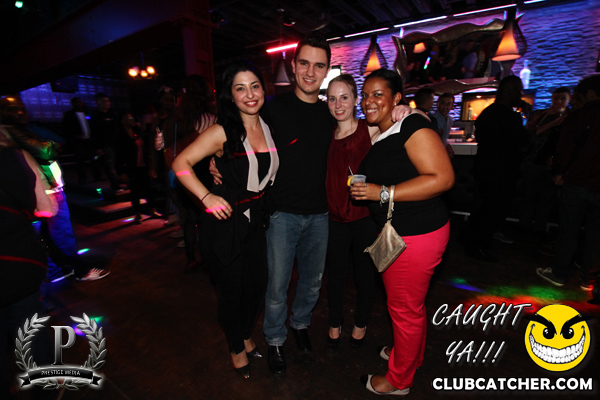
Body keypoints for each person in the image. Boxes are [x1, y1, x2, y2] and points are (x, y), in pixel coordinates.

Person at [350, 68, 454, 395]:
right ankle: (410, 358)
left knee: (404, 310)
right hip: (410, 232)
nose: (368, 101)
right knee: (412, 307)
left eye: (378, 94)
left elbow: (442, 178)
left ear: (396, 98)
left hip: (414, 235)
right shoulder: (386, 131)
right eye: (365, 95)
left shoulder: (410, 125)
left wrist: (382, 193)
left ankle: (398, 380)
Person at [172, 61, 278, 379]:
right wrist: (206, 196)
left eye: (254, 86)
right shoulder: (221, 131)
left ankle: (244, 333)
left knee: (257, 286)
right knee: (231, 291)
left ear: (263, 89)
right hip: (224, 226)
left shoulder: (267, 126)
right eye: (240, 88)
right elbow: (180, 163)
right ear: (230, 96)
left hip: (255, 222)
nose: (250, 94)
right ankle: (236, 346)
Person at [0, 96, 110, 283]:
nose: (21, 112)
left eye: (22, 108)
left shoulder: (16, 130)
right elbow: (46, 151)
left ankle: (56, 271)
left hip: (45, 189)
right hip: (48, 191)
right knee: (61, 233)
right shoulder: (12, 131)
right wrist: (51, 145)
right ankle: (79, 271)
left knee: (48, 235)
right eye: (14, 109)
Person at [324, 74, 379, 348]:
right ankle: (335, 321)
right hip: (334, 219)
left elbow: (410, 129)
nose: (338, 104)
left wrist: (407, 110)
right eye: (332, 99)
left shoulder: (370, 129)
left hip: (364, 218)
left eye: (344, 97)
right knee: (335, 275)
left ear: (356, 100)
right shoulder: (326, 135)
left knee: (364, 275)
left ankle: (361, 322)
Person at [537, 75, 600, 291]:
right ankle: (588, 279)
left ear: (589, 93)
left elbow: (565, 149)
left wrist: (558, 172)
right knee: (596, 234)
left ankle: (560, 273)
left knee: (569, 230)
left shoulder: (579, 116)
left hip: (577, 181)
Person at [462, 75, 530, 262]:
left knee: (482, 209)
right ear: (510, 91)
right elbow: (523, 144)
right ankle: (478, 246)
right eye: (518, 91)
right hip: (501, 172)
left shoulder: (487, 113)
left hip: (484, 168)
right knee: (492, 211)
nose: (520, 95)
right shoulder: (509, 116)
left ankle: (472, 243)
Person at [163, 75, 216, 272]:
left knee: (188, 219)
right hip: (204, 174)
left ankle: (191, 259)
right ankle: (210, 261)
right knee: (206, 221)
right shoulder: (209, 119)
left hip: (181, 175)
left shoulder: (176, 119)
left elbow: (167, 149)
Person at [520, 87, 571, 236]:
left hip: (555, 165)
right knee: (529, 197)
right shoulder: (541, 114)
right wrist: (552, 121)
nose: (558, 102)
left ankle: (539, 230)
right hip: (534, 160)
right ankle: (524, 229)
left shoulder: (572, 117)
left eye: (562, 98)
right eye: (556, 98)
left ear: (569, 100)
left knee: (546, 199)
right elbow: (529, 134)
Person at [118, 112, 161, 224]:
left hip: (143, 166)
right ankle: (137, 214)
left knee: (148, 189)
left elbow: (145, 147)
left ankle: (152, 210)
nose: (132, 120)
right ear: (123, 121)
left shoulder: (138, 131)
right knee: (135, 191)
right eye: (129, 119)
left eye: (132, 118)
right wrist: (122, 171)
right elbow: (120, 154)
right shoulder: (121, 135)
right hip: (132, 167)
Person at [90, 93, 122, 192]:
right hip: (105, 145)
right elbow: (94, 133)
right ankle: (116, 186)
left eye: (108, 101)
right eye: (104, 101)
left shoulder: (113, 114)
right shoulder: (96, 116)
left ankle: (121, 182)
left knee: (118, 164)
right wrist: (98, 147)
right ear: (97, 102)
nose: (107, 103)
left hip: (116, 143)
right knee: (110, 166)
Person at [62, 97, 93, 184]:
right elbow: (66, 129)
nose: (79, 104)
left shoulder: (87, 113)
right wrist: (75, 136)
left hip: (89, 139)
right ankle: (82, 178)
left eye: (80, 102)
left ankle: (97, 175)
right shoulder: (69, 115)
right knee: (80, 160)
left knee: (94, 158)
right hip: (78, 141)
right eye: (77, 102)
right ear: (73, 104)